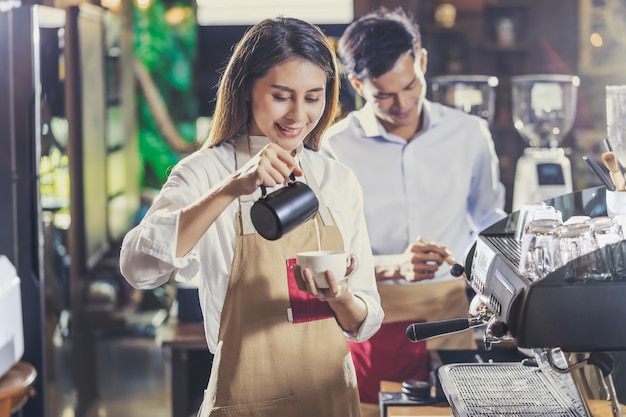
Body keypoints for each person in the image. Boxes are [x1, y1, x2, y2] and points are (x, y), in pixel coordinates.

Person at [119, 16, 383, 417]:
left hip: (331, 400)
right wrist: (231, 188)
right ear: (245, 89)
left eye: (313, 97)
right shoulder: (205, 172)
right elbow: (138, 267)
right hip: (246, 402)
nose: (298, 114)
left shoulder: (337, 179)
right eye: (282, 95)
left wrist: (340, 295)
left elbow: (365, 318)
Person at [321, 7, 507, 409]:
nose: (402, 103)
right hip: (371, 317)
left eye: (410, 85)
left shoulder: (469, 134)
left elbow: (489, 222)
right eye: (383, 94)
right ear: (356, 84)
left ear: (421, 61)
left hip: (451, 314)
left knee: (453, 410)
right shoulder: (333, 147)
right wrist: (393, 265)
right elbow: (326, 253)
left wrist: (494, 285)